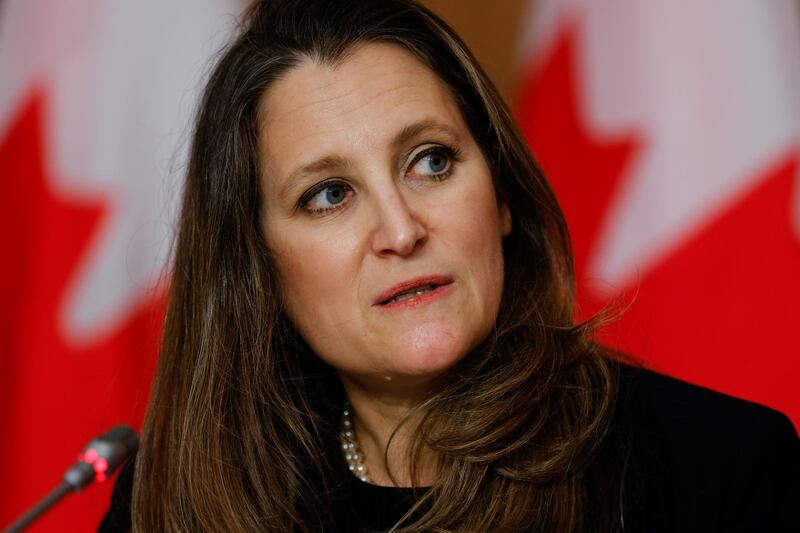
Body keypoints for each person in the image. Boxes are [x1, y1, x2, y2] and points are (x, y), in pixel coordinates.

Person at [99, 1, 800, 531]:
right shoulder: (169, 504)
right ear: (257, 266)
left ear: (500, 195)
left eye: (431, 161)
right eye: (329, 195)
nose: (401, 230)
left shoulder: (720, 469)